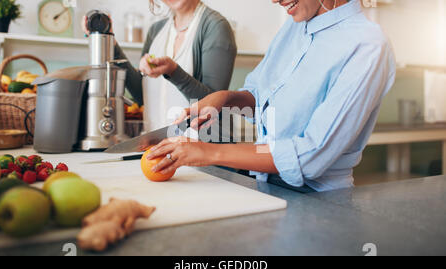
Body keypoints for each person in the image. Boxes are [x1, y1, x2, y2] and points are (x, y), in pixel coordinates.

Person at [147, 0, 396, 193]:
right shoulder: (294, 25)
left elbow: (310, 155)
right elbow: (261, 96)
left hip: (320, 201)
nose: (275, 0)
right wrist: (226, 98)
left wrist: (208, 152)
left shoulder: (368, 45)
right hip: (266, 187)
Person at [82, 0, 237, 131]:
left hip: (202, 152)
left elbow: (212, 104)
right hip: (158, 146)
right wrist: (110, 42)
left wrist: (173, 72)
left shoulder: (216, 27)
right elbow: (142, 95)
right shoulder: (156, 31)